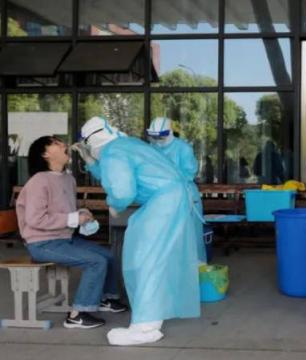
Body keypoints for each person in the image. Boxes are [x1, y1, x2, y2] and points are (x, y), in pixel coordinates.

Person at [73, 116, 201, 345]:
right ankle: (152, 319)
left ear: (91, 141)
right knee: (156, 259)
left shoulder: (113, 152)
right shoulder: (125, 145)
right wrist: (93, 163)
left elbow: (122, 189)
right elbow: (116, 173)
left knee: (146, 259)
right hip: (169, 199)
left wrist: (114, 203)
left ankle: (145, 326)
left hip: (164, 202)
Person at [16, 136, 127, 329]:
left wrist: (82, 214)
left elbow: (68, 210)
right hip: (42, 243)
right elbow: (35, 219)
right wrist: (73, 219)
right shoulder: (38, 181)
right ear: (45, 154)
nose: (64, 145)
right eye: (56, 144)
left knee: (107, 256)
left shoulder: (68, 178)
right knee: (96, 261)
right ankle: (77, 314)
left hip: (64, 238)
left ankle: (105, 299)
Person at [146, 117, 206, 262]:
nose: (158, 139)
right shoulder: (152, 148)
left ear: (170, 132)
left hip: (185, 196)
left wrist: (167, 179)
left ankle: (194, 274)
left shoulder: (183, 148)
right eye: (154, 136)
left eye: (161, 135)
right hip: (161, 198)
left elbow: (189, 173)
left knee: (189, 237)